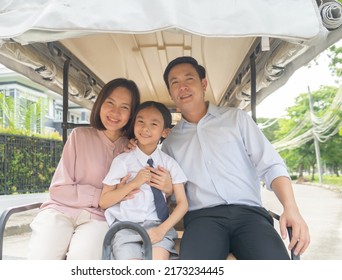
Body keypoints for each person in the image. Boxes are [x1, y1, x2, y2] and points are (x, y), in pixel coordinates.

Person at [160, 56, 310, 260]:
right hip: (203, 219)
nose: (182, 87)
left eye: (189, 79)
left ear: (203, 84)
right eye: (174, 83)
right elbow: (170, 193)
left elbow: (271, 166)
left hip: (250, 216)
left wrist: (291, 208)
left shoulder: (236, 119)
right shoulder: (170, 143)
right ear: (170, 92)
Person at [26, 78, 141, 259]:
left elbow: (129, 198)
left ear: (132, 114)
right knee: (42, 257)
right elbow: (59, 190)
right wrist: (103, 196)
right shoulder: (79, 136)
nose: (115, 112)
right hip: (59, 210)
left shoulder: (132, 149)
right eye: (110, 103)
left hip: (99, 218)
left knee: (84, 260)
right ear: (100, 104)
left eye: (124, 107)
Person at [99, 101, 188, 260]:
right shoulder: (122, 161)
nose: (145, 128)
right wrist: (134, 183)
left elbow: (183, 203)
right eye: (140, 122)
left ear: (165, 132)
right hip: (126, 227)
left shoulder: (169, 163)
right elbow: (104, 202)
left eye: (153, 124)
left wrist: (162, 230)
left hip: (158, 226)